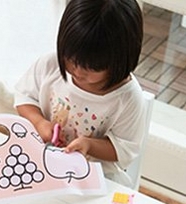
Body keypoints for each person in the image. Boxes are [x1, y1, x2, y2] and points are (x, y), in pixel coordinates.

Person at [14, 0, 146, 187]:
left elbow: (124, 149)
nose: (77, 71)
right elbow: (24, 98)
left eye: (91, 68)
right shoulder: (50, 65)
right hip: (43, 162)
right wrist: (39, 122)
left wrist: (89, 145)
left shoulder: (127, 98)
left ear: (122, 59)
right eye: (71, 60)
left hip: (94, 177)